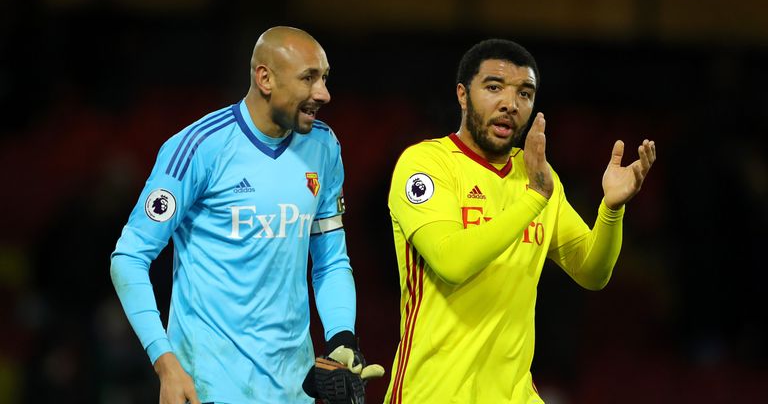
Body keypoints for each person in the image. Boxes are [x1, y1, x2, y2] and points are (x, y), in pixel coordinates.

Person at [110, 26, 381, 404]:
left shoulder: (324, 146)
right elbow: (129, 258)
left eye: (325, 78)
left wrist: (340, 338)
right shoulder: (199, 147)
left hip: (295, 390)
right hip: (208, 388)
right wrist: (165, 362)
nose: (324, 93)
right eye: (309, 78)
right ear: (265, 78)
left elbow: (331, 260)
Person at [384, 39, 656, 403]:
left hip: (515, 394)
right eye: (494, 87)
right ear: (463, 95)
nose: (510, 104)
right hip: (435, 392)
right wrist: (533, 200)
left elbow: (592, 272)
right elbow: (452, 262)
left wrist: (611, 210)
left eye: (524, 94)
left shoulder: (539, 177)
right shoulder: (427, 164)